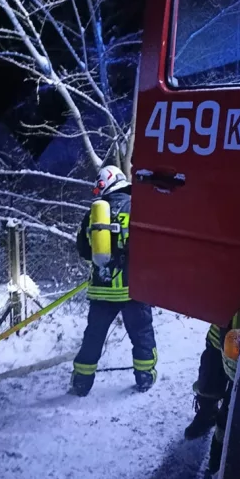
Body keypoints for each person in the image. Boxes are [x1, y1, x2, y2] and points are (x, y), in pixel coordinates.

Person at [69, 166, 158, 397]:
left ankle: (81, 382)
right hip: (133, 289)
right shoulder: (137, 207)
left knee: (93, 337)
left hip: (101, 290)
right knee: (142, 334)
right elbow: (150, 248)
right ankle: (145, 377)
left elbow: (83, 250)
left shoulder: (94, 212)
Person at [184, 301, 240, 473]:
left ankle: (217, 468)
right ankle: (207, 414)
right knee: (207, 384)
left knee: (232, 411)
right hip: (220, 333)